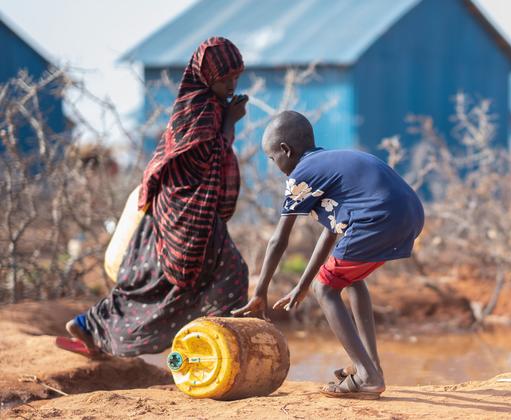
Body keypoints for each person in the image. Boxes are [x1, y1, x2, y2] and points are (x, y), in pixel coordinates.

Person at [57, 37, 250, 357]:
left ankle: (90, 325)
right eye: (225, 79)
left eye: (236, 78)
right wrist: (230, 122)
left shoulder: (207, 106)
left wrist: (226, 116)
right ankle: (213, 354)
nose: (232, 85)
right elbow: (210, 158)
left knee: (147, 282)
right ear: (207, 78)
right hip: (182, 219)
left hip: (179, 216)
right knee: (226, 277)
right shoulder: (198, 112)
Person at [232, 111, 424, 399]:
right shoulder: (329, 163)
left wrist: (260, 292)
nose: (275, 166)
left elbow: (278, 240)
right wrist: (301, 284)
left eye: (273, 159)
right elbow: (331, 232)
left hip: (379, 218)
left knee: (326, 288)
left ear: (286, 150)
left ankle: (367, 375)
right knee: (349, 279)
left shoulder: (302, 173)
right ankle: (372, 368)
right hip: (409, 215)